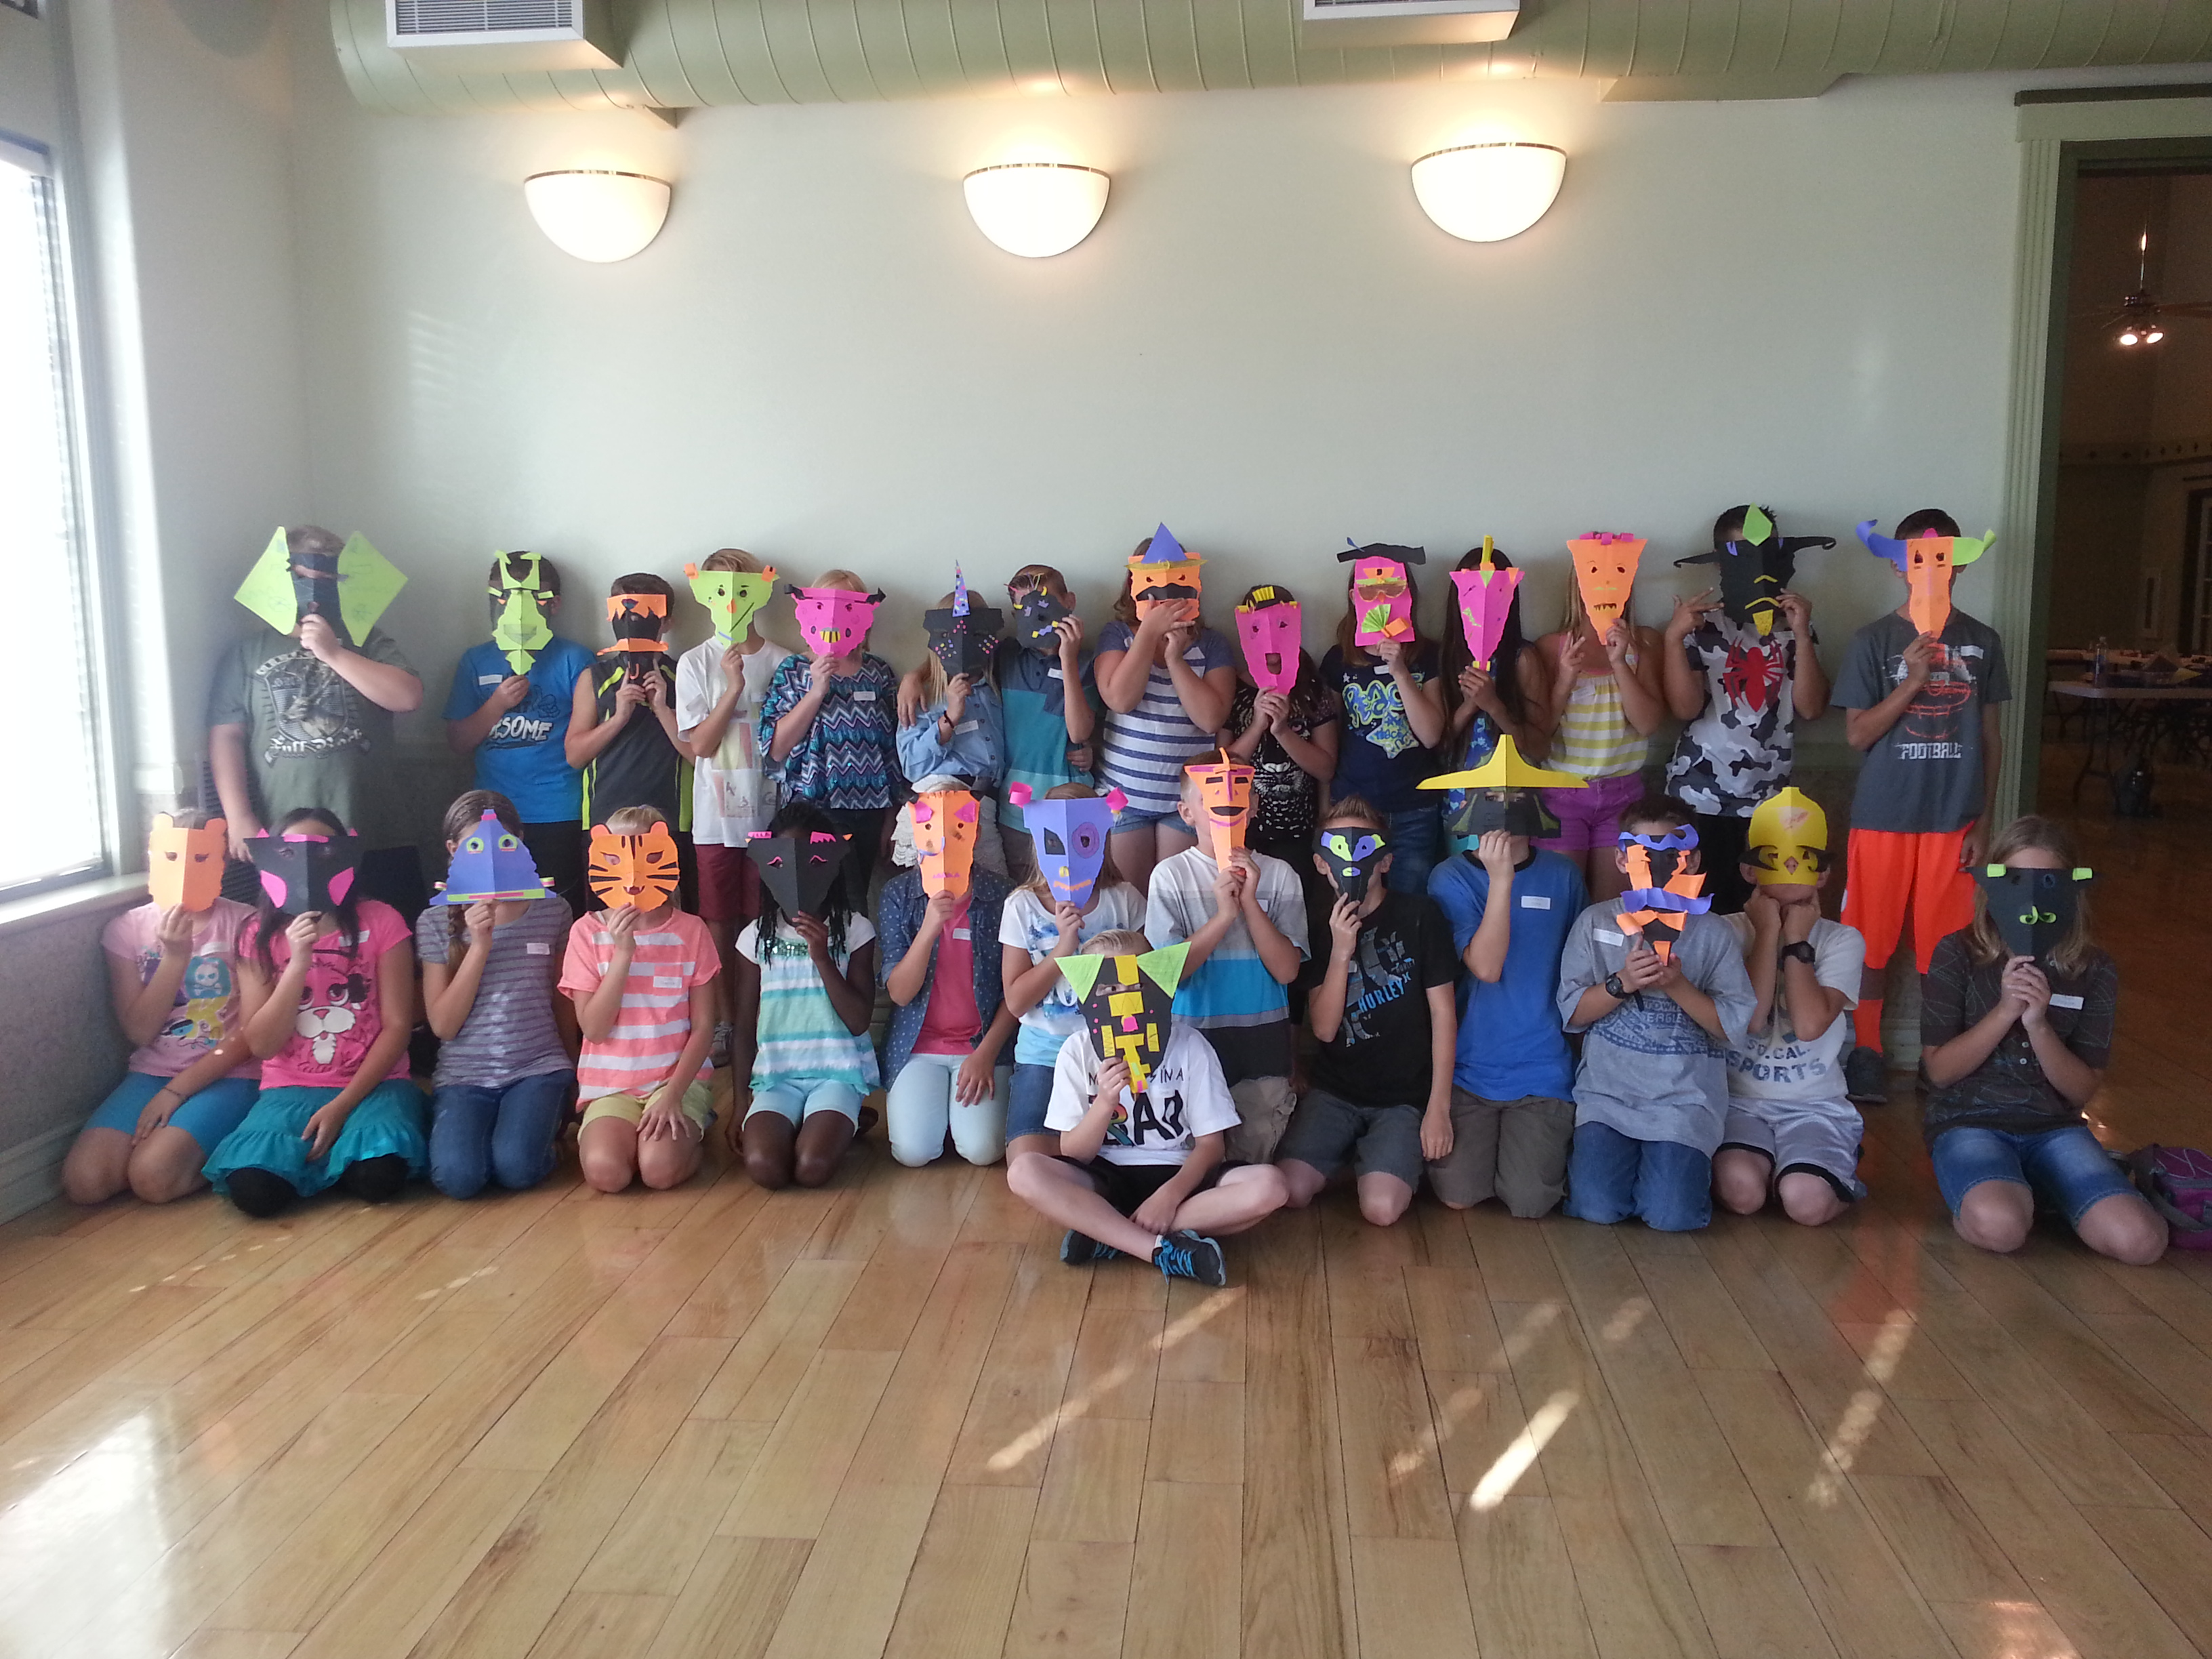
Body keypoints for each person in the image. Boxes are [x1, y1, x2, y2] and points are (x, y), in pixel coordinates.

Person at [1921, 816, 2165, 1265]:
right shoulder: (1957, 953)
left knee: (2141, 1242)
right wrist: (2004, 1012)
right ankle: (2002, 1196)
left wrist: (2038, 1025)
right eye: (2016, 882)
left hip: (2055, 1128)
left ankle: (2045, 1191)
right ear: (1992, 888)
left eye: (2047, 884)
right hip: (1969, 1121)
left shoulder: (2093, 968)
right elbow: (1939, 1071)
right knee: (2001, 1228)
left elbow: (2082, 1089)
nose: (2030, 901)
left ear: (2072, 892)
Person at [1832, 508, 2013, 1103]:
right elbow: (1857, 736)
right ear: (1897, 565)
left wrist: (1984, 821)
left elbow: (1991, 738)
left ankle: (1940, 1057)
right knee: (1871, 943)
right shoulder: (1873, 640)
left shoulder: (1984, 641)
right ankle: (1866, 1051)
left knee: (1947, 949)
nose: (1932, 568)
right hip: (1882, 817)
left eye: (1944, 557)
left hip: (1953, 820)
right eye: (1916, 558)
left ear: (1961, 562)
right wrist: (1911, 681)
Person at [1005, 930, 1290, 1286]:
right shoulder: (1077, 1051)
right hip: (1105, 1177)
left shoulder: (1191, 1046)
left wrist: (1169, 1197)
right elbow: (1074, 1153)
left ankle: (1109, 1234)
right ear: (1089, 996)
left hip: (1181, 1175)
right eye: (1110, 989)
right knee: (1023, 1171)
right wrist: (1105, 1103)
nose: (1125, 999)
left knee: (1271, 1187)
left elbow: (1211, 1147)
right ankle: (1157, 1249)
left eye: (1137, 985)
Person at [203, 808, 424, 1218]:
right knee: (254, 1192)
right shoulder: (257, 933)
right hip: (290, 1087)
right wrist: (298, 963)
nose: (308, 866)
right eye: (290, 853)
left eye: (323, 852)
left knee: (379, 1178)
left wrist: (343, 1105)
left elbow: (398, 1026)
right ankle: (324, 1159)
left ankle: (342, 1152)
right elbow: (262, 1043)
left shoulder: (382, 920)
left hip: (373, 1084)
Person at [1555, 797, 1756, 1231]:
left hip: (1684, 1101)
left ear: (1693, 859)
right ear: (1621, 860)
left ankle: (1675, 1176)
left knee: (1672, 1215)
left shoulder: (1714, 934)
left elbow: (1732, 1027)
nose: (1657, 865)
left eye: (1672, 853)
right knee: (1597, 1207)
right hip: (1608, 1097)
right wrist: (1621, 983)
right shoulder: (1595, 923)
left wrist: (1678, 986)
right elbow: (1573, 1012)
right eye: (1643, 854)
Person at [208, 525, 426, 914]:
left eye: (325, 580)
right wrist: (239, 816)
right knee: (296, 939)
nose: (312, 591)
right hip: (287, 838)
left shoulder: (368, 640)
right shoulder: (247, 653)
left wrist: (334, 653)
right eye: (302, 578)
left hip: (375, 831)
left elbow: (407, 697)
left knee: (389, 933)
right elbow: (227, 736)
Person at [1421, 740, 1589, 1218]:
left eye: (1517, 797)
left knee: (1531, 1201)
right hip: (1470, 1069)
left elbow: (1579, 970)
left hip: (1542, 1071)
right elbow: (1485, 968)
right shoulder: (1450, 877)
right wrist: (1501, 880)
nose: (1505, 810)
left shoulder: (1563, 876)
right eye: (1492, 798)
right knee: (1459, 1195)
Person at [1274, 798, 1458, 1227]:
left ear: (1386, 861)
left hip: (1403, 1098)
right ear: (1321, 863)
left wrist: (1438, 1107)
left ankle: (1377, 1162)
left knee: (1382, 1209)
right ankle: (1354, 1156)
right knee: (1290, 1191)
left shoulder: (1420, 916)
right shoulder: (1316, 926)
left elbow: (1444, 1014)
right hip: (1336, 1091)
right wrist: (1341, 950)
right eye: (1338, 849)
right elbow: (1323, 1030)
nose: (1352, 862)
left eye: (1365, 848)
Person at [62, 811, 262, 1204]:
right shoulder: (126, 929)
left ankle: (235, 1143)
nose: (186, 868)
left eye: (201, 858)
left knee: (153, 1178)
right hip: (154, 1070)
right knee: (86, 1182)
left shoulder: (246, 924)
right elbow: (139, 1031)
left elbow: (251, 1033)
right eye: (171, 857)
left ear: (220, 863)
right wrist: (174, 957)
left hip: (231, 1072)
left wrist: (177, 1092)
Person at [1661, 507, 1831, 914]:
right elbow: (1684, 708)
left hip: (1769, 801)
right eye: (1742, 554)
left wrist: (1801, 634)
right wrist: (1673, 638)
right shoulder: (1703, 627)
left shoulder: (1793, 626)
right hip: (1699, 794)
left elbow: (1811, 708)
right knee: (1697, 914)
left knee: (1760, 914)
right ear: (1722, 562)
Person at [1710, 789, 1865, 1227]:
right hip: (1738, 1102)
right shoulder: (1725, 931)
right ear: (1749, 870)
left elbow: (1811, 1024)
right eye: (1776, 859)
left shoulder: (1842, 939)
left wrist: (1796, 940)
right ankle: (1785, 1170)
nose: (1792, 868)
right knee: (1741, 1193)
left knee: (1806, 1203)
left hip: (1815, 1105)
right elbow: (1751, 1019)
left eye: (1805, 859)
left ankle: (1821, 1173)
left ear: (1824, 874)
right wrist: (1767, 934)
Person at [1144, 758, 1308, 1162]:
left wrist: (1250, 903)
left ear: (1253, 807)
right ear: (1187, 812)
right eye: (1210, 799)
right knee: (1192, 1162)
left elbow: (1287, 970)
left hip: (1261, 1050)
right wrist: (1222, 917)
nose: (1227, 808)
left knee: (1250, 1162)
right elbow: (1168, 976)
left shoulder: (1280, 875)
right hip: (1191, 1047)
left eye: (1239, 798)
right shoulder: (1170, 876)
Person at [417, 792, 578, 1199]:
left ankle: (543, 1143)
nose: (489, 858)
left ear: (520, 843)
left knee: (517, 1167)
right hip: (464, 1076)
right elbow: (444, 1025)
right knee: (458, 1178)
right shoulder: (434, 921)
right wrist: (480, 945)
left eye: (504, 844)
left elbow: (563, 1000)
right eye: (473, 847)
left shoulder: (552, 910)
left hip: (538, 1067)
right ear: (453, 850)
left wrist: (578, 1074)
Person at [560, 804, 720, 1193]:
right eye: (615, 860)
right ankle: (632, 1139)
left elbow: (704, 1027)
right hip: (610, 1085)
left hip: (675, 1081)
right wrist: (623, 953)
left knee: (658, 1170)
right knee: (607, 1174)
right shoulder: (585, 932)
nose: (631, 874)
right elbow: (594, 1030)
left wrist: (673, 1095)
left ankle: (693, 1129)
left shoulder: (692, 930)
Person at [675, 548, 792, 1062]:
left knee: (763, 917)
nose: (730, 601)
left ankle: (762, 1019)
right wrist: (734, 686)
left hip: (771, 815)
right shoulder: (696, 662)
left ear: (759, 594)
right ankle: (724, 1021)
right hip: (714, 819)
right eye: (719, 590)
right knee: (718, 922)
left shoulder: (784, 661)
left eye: (741, 590)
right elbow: (700, 745)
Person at [729, 802, 879, 1189]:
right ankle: (819, 1124)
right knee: (765, 1167)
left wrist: (822, 957)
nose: (797, 876)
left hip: (837, 1073)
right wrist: (740, 1104)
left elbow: (859, 1021)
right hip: (777, 1077)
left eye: (811, 863)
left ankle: (836, 1119)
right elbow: (744, 1027)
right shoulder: (754, 937)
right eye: (781, 865)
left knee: (812, 1168)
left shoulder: (855, 930)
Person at [998, 784, 1147, 1160]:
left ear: (1100, 839)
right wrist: (1063, 949)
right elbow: (1016, 1002)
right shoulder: (1022, 906)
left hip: (1114, 1052)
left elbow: (1148, 983)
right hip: (1044, 1053)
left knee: (1118, 1151)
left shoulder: (1124, 899)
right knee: (1027, 1160)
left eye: (1082, 839)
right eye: (1053, 840)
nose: (1067, 853)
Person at [444, 552, 596, 912]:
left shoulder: (575, 659)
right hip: (491, 813)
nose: (514, 606)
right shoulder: (476, 660)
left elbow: (584, 739)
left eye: (529, 598)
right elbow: (459, 741)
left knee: (558, 907)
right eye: (503, 597)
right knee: (495, 908)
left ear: (553, 604)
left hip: (557, 809)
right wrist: (497, 704)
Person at [878, 785, 1016, 1167]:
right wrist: (928, 929)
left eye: (957, 832)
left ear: (973, 834)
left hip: (981, 1045)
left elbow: (1016, 991)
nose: (944, 844)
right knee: (913, 1153)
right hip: (917, 1045)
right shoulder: (899, 895)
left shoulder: (1003, 896)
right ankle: (940, 1116)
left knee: (983, 1150)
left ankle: (959, 1121)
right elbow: (900, 994)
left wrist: (986, 1053)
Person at [1221, 583, 1339, 1023]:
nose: (1270, 642)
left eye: (1282, 628)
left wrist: (1284, 731)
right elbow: (1223, 768)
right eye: (1257, 630)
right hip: (1240, 834)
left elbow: (1326, 768)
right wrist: (1258, 724)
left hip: (1295, 838)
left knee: (1293, 934)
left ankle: (1291, 1028)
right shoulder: (1235, 689)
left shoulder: (1312, 690)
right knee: (1242, 928)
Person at [1095, 534, 1237, 894]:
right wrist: (1148, 634)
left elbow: (1211, 719)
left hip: (1187, 802)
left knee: (1177, 900)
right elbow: (1119, 700)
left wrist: (1175, 659)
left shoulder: (1212, 644)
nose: (1164, 597)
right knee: (1132, 902)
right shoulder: (1117, 634)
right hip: (1125, 797)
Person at [756, 569, 901, 906]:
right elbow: (775, 749)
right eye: (824, 607)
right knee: (814, 903)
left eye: (847, 607)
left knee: (856, 904)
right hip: (813, 809)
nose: (834, 618)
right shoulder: (793, 670)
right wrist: (816, 691)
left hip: (870, 810)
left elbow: (892, 750)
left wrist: (892, 817)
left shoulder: (878, 672)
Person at [1532, 568, 1666, 903]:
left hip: (1623, 795)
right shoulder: (1551, 647)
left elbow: (1648, 724)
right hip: (1562, 793)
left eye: (1617, 577)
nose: (1605, 588)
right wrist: (1565, 679)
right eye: (1593, 577)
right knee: (1561, 902)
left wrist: (1620, 663)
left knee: (1613, 907)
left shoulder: (1644, 642)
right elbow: (1540, 732)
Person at [1319, 552, 1447, 895]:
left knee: (1409, 900)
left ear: (1409, 597)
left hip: (1414, 806)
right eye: (1370, 591)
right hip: (1354, 805)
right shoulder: (1338, 659)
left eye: (1393, 591)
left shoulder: (1427, 655)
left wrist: (1400, 671)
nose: (1382, 600)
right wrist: (1326, 805)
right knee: (1352, 897)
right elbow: (1329, 738)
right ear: (1353, 597)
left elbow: (1431, 735)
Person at [567, 573, 693, 903]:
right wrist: (619, 717)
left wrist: (662, 708)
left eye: (645, 614)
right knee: (606, 918)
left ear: (666, 622)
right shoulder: (595, 677)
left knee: (670, 915)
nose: (633, 623)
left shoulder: (685, 675)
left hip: (669, 817)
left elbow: (698, 754)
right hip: (605, 819)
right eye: (623, 614)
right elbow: (575, 755)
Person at [1439, 545, 1547, 855]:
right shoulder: (1446, 657)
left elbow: (1540, 747)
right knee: (1468, 880)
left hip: (1514, 807)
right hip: (1462, 804)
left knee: (1511, 880)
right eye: (1473, 590)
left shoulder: (1522, 659)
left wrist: (1494, 706)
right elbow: (1437, 743)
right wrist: (1470, 705)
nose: (1483, 601)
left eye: (1495, 591)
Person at [995, 565, 1101, 878]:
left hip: (1071, 808)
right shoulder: (1006, 657)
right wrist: (916, 676)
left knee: (1075, 888)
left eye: (1045, 604)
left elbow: (1079, 732)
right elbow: (951, 663)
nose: (1037, 617)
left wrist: (1068, 658)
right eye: (1025, 609)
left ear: (1069, 602)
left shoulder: (1088, 663)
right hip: (1017, 811)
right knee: (1023, 894)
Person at [895, 593, 1009, 875]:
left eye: (977, 635)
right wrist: (949, 719)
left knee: (992, 886)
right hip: (937, 806)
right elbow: (912, 766)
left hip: (985, 804)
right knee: (936, 886)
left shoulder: (997, 689)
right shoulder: (925, 695)